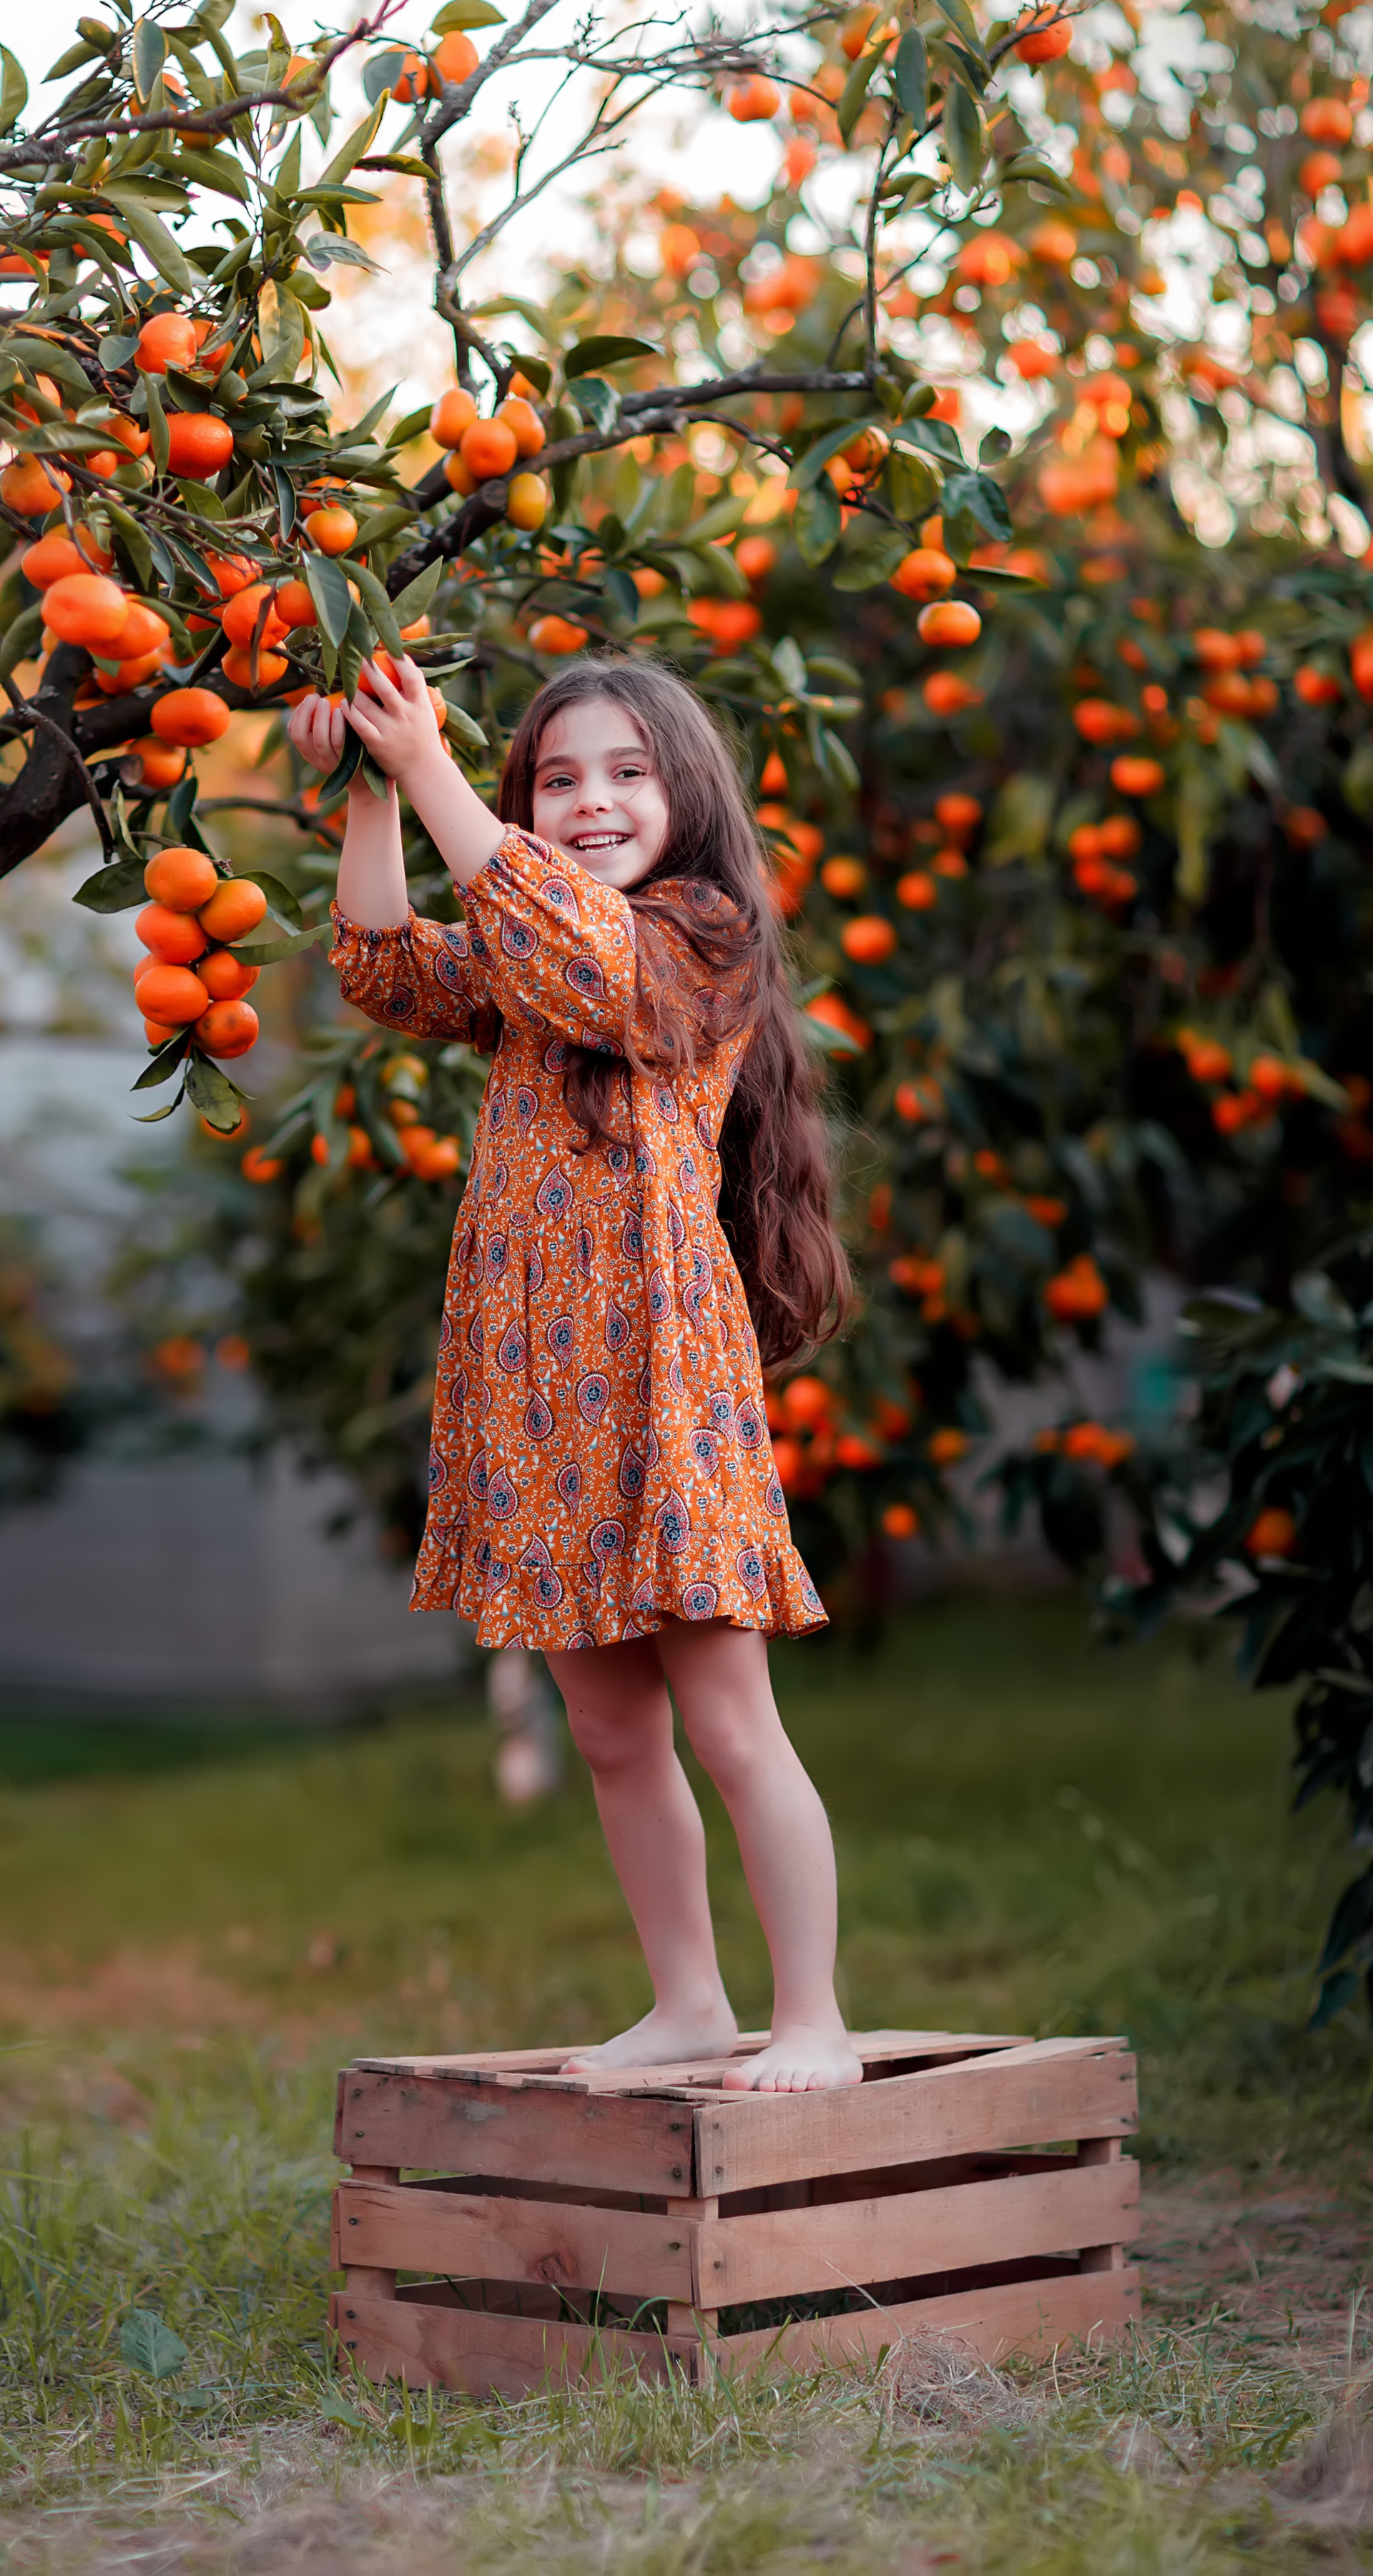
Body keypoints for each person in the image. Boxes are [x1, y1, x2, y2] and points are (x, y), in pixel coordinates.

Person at [293, 651, 862, 2092]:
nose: (590, 800)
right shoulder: (526, 934)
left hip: (660, 1378)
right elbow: (384, 968)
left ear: (687, 795)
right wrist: (372, 788)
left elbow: (587, 963)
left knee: (730, 1724)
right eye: (557, 780)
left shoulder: (698, 933)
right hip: (536, 1381)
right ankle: (688, 2004)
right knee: (610, 1729)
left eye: (624, 773)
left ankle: (813, 2021)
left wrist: (430, 767)